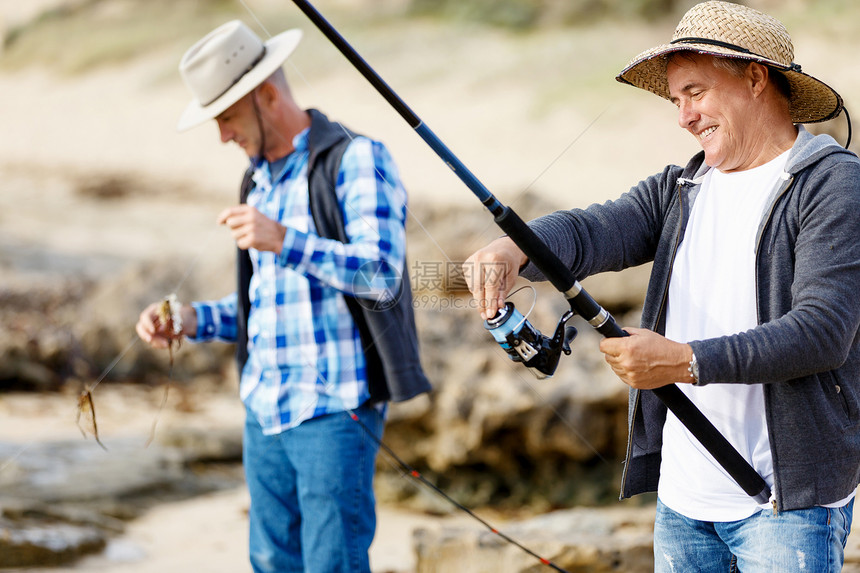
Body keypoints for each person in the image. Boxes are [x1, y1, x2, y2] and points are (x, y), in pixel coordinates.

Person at [465, 2, 860, 571]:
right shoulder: (682, 186)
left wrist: (683, 362)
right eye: (677, 100)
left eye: (695, 92)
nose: (684, 117)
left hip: (788, 506)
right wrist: (516, 247)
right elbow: (592, 228)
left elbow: (821, 334)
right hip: (682, 499)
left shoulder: (831, 185)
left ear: (755, 78)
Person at [135, 20, 429, 573]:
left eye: (225, 117)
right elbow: (270, 307)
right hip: (262, 409)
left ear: (267, 96)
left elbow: (382, 276)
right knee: (270, 564)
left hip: (334, 411)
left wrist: (285, 240)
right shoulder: (257, 180)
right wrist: (193, 320)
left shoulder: (358, 159)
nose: (222, 135)